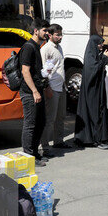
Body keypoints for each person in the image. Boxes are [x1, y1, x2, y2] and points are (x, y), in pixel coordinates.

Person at [20, 18, 51, 166]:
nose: (47, 33)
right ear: (36, 31)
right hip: (29, 92)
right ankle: (28, 157)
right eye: (44, 30)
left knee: (41, 122)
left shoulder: (37, 46)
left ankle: (35, 153)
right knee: (30, 124)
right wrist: (34, 91)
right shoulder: (28, 47)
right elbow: (25, 71)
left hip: (37, 90)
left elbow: (33, 70)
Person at [74, 35, 108, 149]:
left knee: (98, 111)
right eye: (100, 43)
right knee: (95, 112)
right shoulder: (90, 56)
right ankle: (96, 139)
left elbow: (99, 70)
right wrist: (104, 59)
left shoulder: (94, 55)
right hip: (92, 92)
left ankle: (95, 138)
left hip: (96, 89)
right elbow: (93, 70)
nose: (102, 45)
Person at [40, 24, 71, 155]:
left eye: (60, 34)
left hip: (61, 87)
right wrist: (47, 87)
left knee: (61, 117)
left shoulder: (60, 48)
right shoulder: (45, 49)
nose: (60, 36)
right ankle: (45, 147)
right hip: (52, 88)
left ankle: (58, 141)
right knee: (50, 119)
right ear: (50, 35)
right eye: (57, 34)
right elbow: (42, 71)